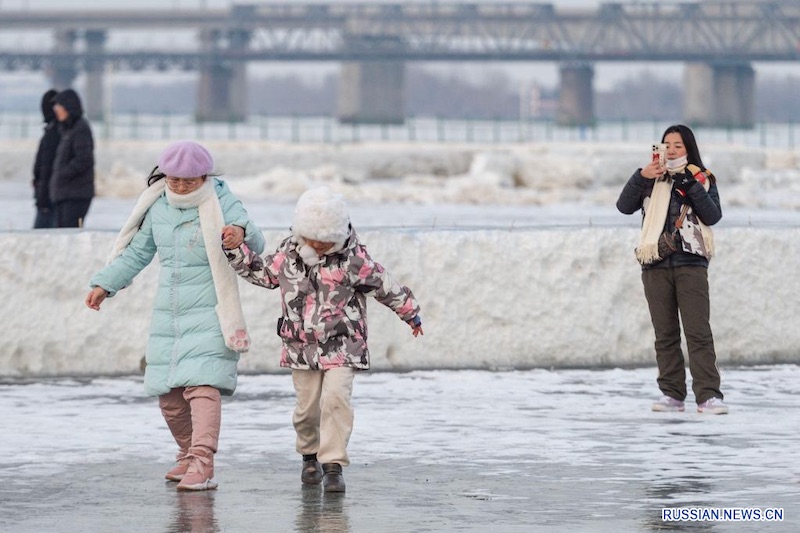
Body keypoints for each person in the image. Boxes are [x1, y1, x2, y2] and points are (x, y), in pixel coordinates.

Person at [85, 141, 266, 491]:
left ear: (204, 176)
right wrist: (104, 285)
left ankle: (203, 462)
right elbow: (137, 254)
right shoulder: (158, 206)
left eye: (189, 180)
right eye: (175, 180)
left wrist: (238, 233)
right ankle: (186, 453)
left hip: (213, 308)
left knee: (202, 387)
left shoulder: (221, 198)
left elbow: (254, 239)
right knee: (168, 397)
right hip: (170, 313)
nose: (181, 186)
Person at [225, 186, 423, 492]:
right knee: (307, 410)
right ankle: (309, 456)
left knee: (336, 400)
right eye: (312, 238)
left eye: (325, 240)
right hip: (300, 346)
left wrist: (410, 312)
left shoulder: (352, 259)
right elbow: (261, 274)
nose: (318, 245)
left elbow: (384, 284)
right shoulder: (289, 254)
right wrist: (235, 249)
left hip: (344, 343)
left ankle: (333, 465)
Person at [616, 124, 727, 415]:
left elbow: (712, 215)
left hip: (691, 261)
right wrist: (641, 176)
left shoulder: (700, 178)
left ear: (688, 148)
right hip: (655, 263)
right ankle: (672, 394)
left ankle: (708, 396)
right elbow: (623, 206)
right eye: (667, 144)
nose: (672, 149)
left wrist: (687, 182)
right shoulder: (650, 179)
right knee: (664, 334)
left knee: (698, 332)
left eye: (678, 145)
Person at [50, 88, 95, 228]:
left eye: (59, 106)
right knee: (60, 236)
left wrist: (62, 174)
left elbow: (84, 159)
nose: (55, 109)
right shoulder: (67, 129)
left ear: (69, 107)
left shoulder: (80, 128)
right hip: (65, 194)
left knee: (69, 236)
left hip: (75, 195)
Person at [32, 89, 60, 229]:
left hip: (47, 198)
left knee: (39, 235)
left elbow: (46, 168)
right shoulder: (57, 130)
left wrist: (42, 199)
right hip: (51, 195)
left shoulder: (53, 133)